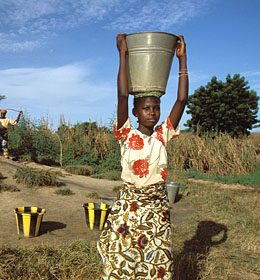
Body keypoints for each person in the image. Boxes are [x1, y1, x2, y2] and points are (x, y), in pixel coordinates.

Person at [97, 33, 188, 279]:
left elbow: (182, 99)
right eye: (146, 108)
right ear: (136, 112)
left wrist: (182, 59)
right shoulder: (125, 133)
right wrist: (123, 55)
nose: (152, 113)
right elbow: (123, 95)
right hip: (130, 207)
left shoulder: (163, 135)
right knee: (123, 260)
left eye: (156, 108)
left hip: (157, 208)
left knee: (157, 262)